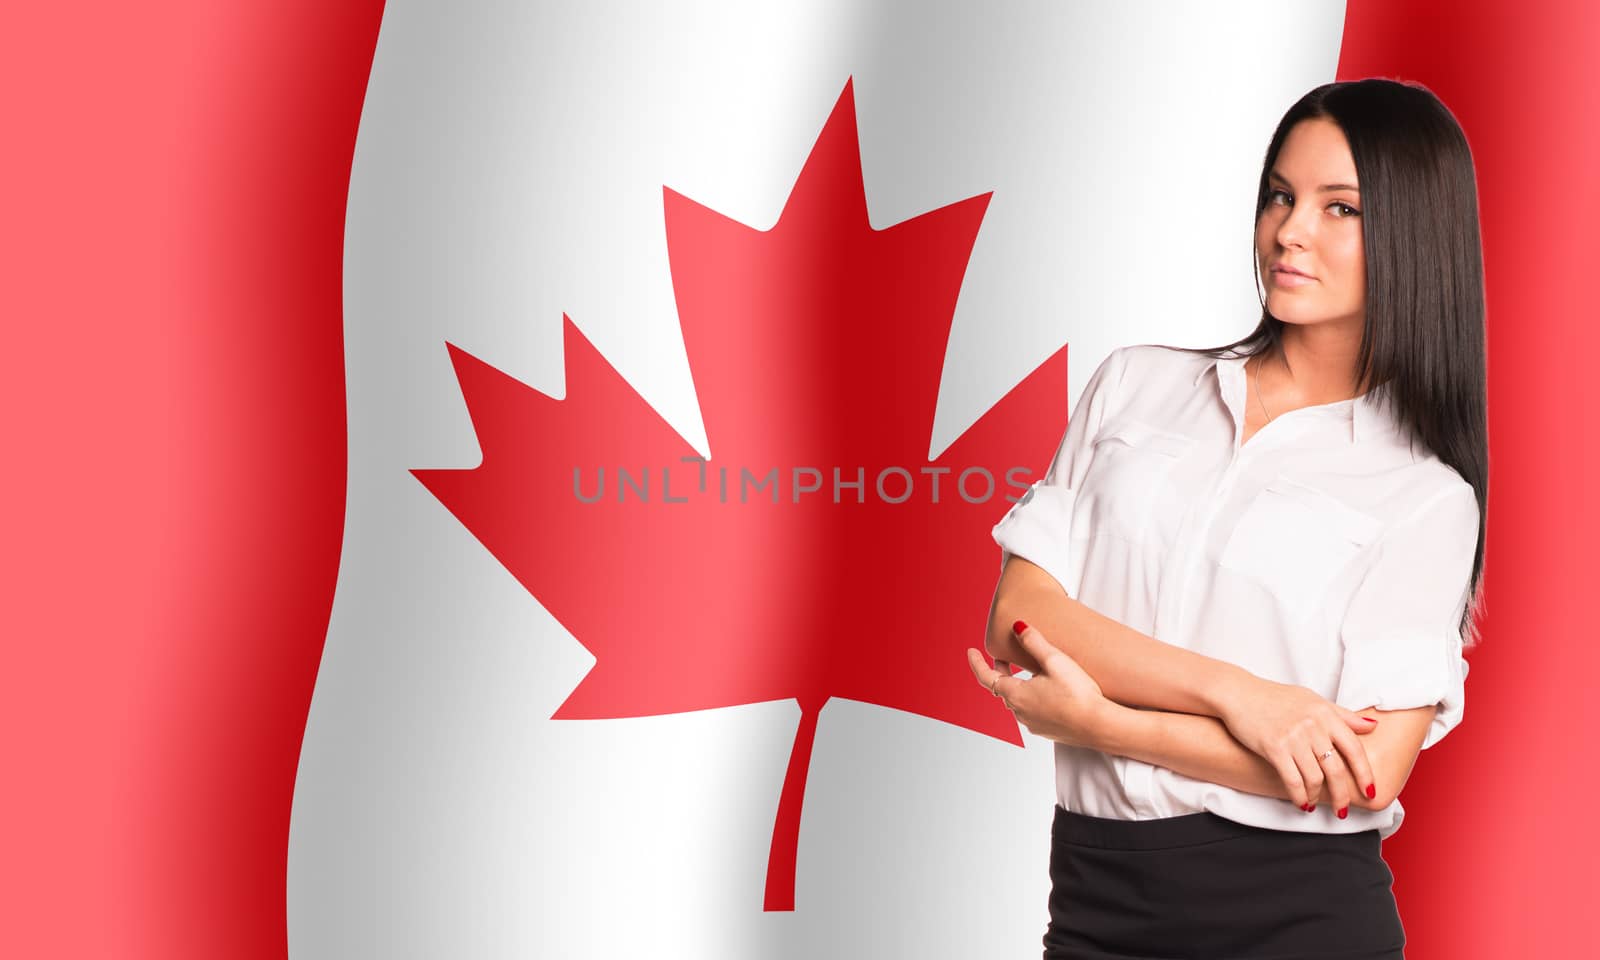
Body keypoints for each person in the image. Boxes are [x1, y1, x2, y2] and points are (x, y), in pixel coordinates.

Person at [967, 78, 1488, 959]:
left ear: (1414, 236)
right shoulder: (1134, 384)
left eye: (1341, 209)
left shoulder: (1426, 494)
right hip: (1095, 895)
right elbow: (1022, 623)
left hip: (1296, 913)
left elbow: (1366, 774)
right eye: (1280, 196)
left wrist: (1104, 724)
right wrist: (1246, 699)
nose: (1290, 231)